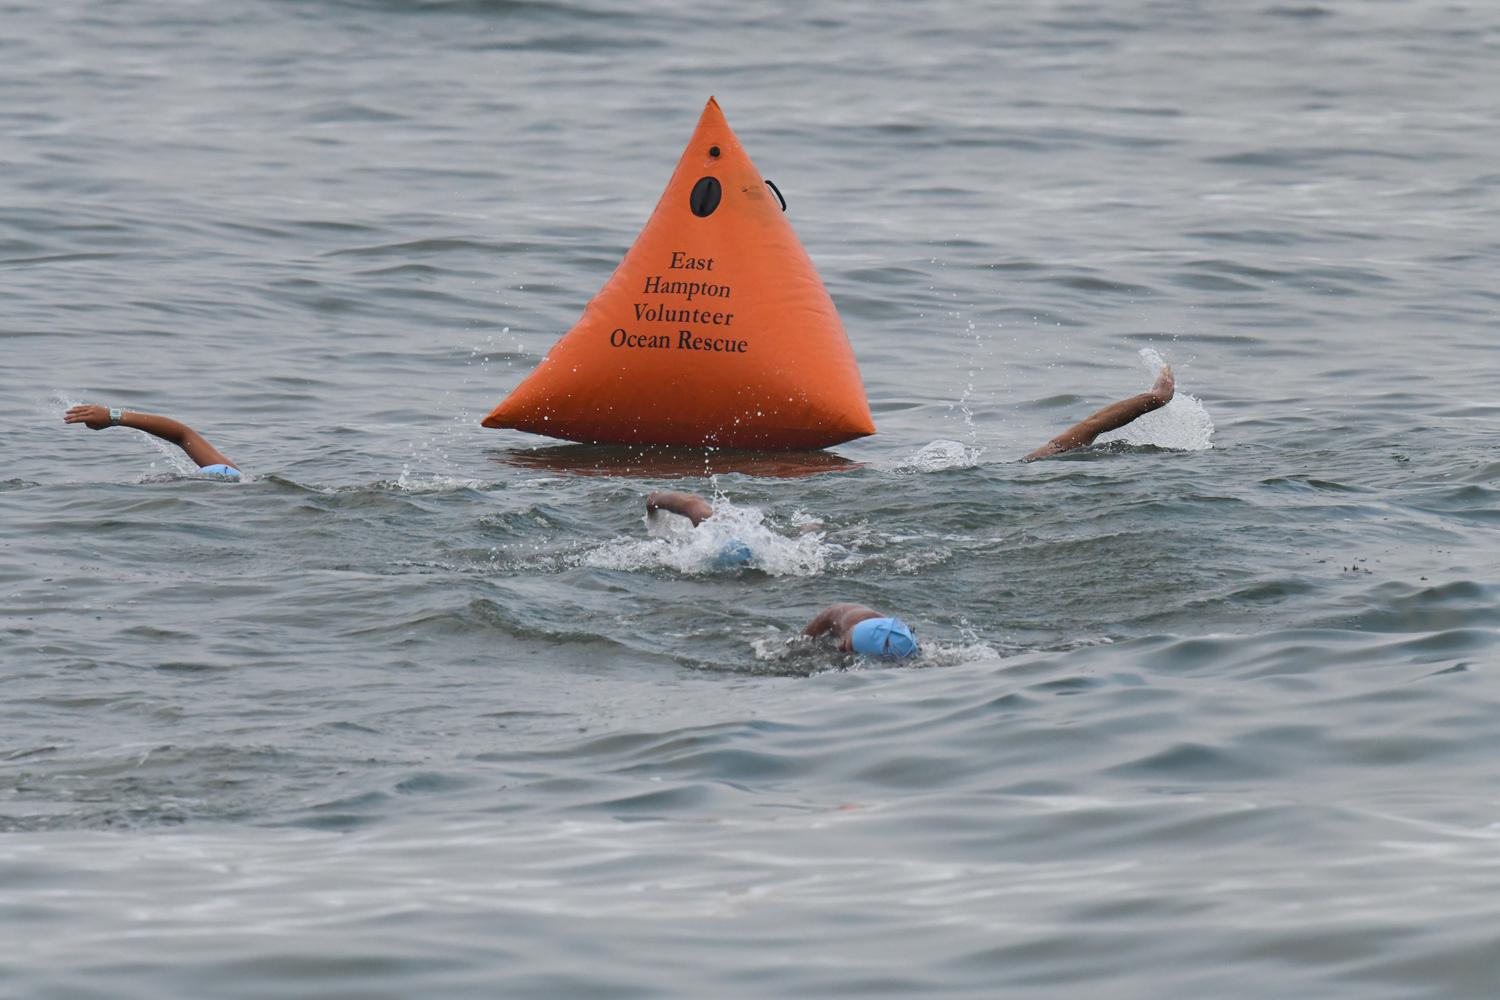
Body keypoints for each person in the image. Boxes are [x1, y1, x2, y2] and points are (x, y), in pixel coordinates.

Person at [1024, 364, 1174, 461]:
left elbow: (1091, 426)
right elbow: (1092, 426)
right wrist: (1154, 399)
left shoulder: (1028, 463)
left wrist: (1152, 399)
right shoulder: (1034, 461)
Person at [64, 404, 240, 476]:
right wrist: (113, 417)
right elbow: (183, 435)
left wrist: (114, 417)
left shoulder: (232, 477)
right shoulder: (234, 479)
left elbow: (184, 435)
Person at [803, 603, 918, 659]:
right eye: (846, 641)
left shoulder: (902, 640)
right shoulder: (844, 617)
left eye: (848, 646)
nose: (839, 646)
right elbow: (827, 614)